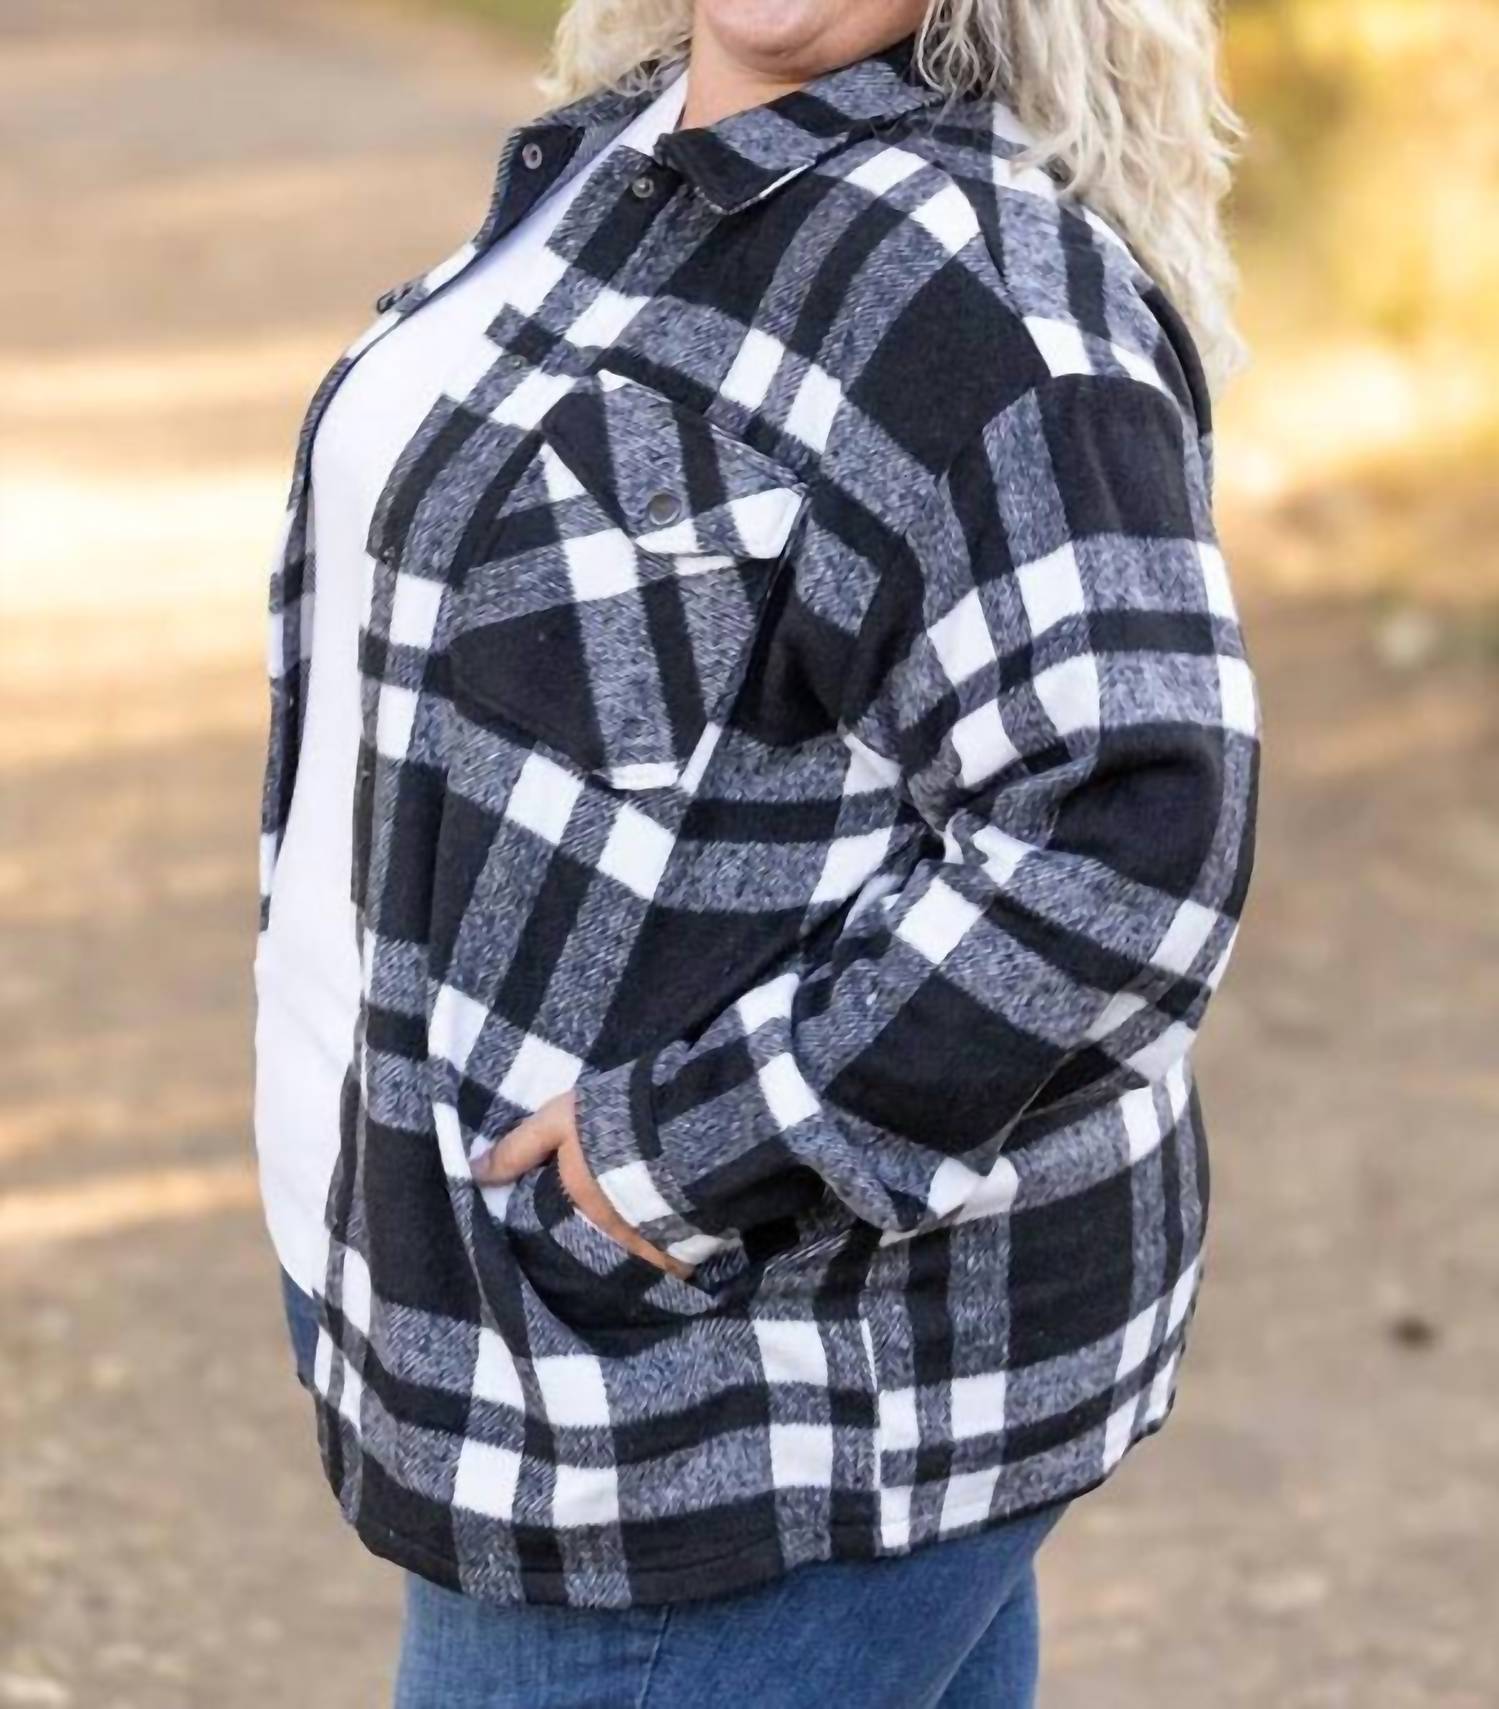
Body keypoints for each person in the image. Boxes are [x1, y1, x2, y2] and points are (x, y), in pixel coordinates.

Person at [251, 0, 1261, 1702]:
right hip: (460, 1273)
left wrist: (677, 1156)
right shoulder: (613, 161)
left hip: (705, 1396)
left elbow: (1131, 832)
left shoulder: (981, 282)